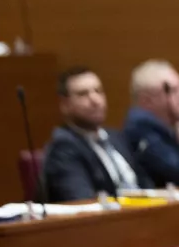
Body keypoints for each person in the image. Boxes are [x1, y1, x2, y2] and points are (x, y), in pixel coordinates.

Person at [43, 67, 154, 202]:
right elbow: (83, 202)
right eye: (83, 94)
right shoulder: (63, 149)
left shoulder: (117, 138)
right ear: (65, 104)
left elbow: (147, 185)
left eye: (98, 91)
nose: (95, 100)